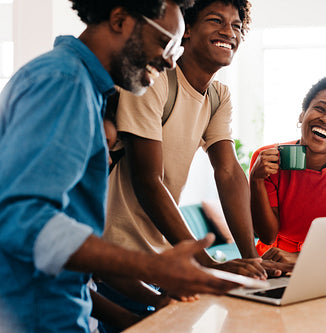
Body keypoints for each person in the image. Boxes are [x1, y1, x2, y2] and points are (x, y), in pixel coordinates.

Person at [0, 0, 245, 332]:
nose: (171, 59)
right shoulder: (64, 82)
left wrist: (145, 309)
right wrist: (153, 268)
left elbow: (73, 238)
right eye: (165, 42)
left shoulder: (86, 88)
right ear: (119, 19)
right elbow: (22, 219)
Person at [99, 0, 292, 321]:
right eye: (216, 20)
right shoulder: (155, 79)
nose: (229, 32)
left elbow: (228, 172)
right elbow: (147, 180)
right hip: (120, 264)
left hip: (164, 265)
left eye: (236, 26)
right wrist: (209, 263)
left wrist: (251, 262)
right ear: (185, 30)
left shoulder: (218, 96)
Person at [249, 76, 326, 263]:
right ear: (302, 115)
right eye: (320, 109)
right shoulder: (266, 158)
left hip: (324, 263)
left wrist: (297, 258)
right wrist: (256, 180)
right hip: (271, 261)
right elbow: (267, 236)